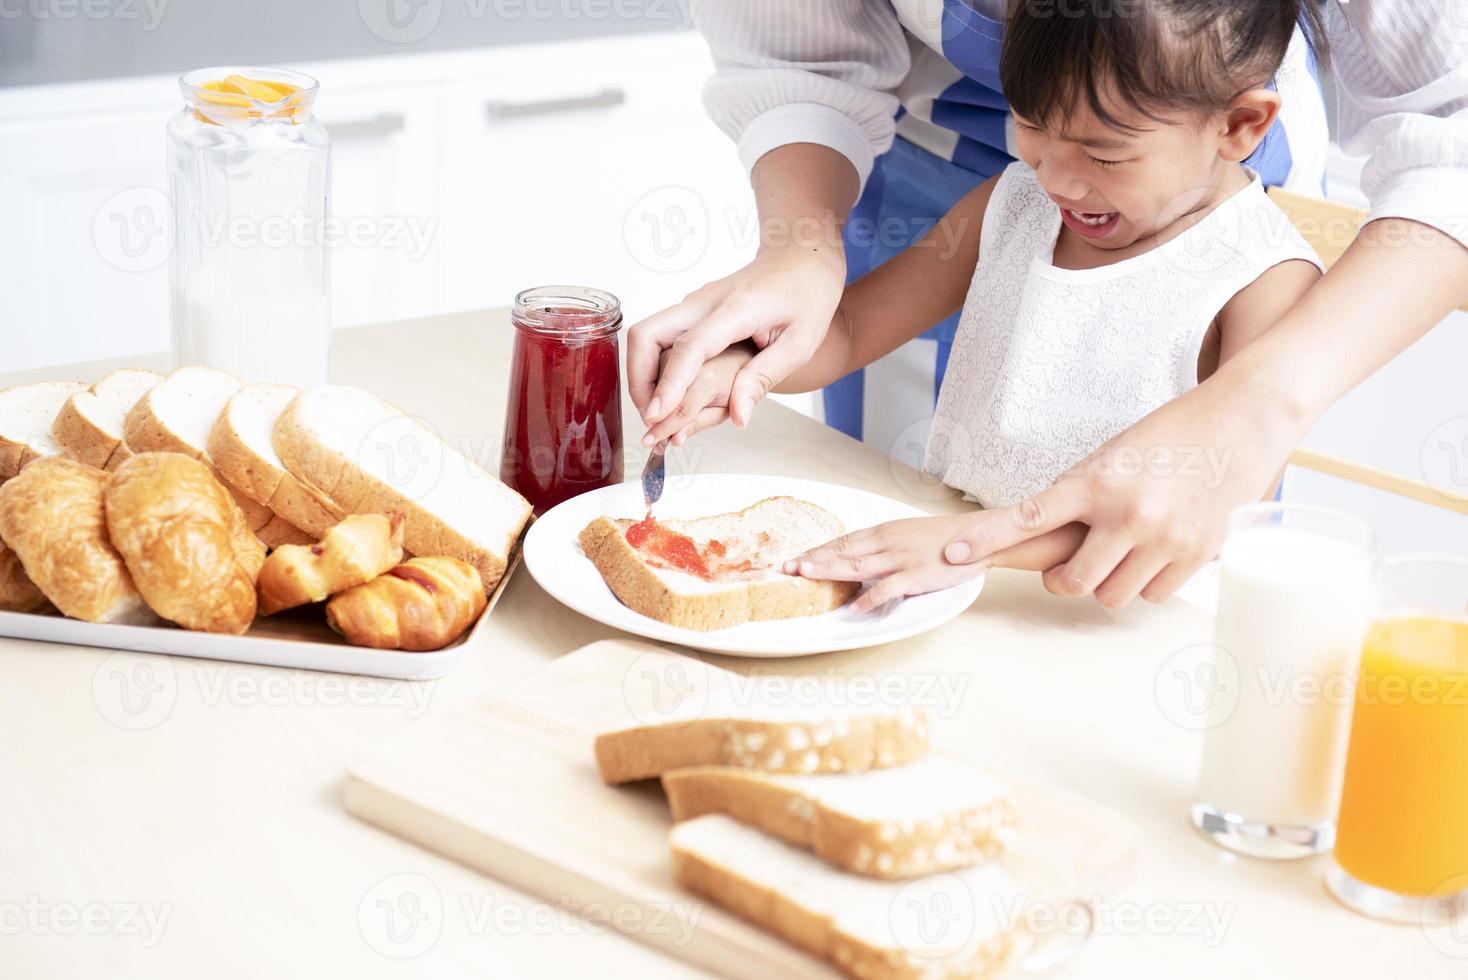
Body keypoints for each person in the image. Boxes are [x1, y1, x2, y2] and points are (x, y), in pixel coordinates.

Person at [629, 0, 1468, 608]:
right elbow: (846, 327)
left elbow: (1192, 517)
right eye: (1031, 126)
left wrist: (965, 551)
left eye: (1104, 151)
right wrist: (747, 353)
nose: (1059, 179)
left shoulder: (1264, 280)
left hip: (1124, 625)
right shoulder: (1013, 202)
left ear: (1242, 125)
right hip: (955, 583)